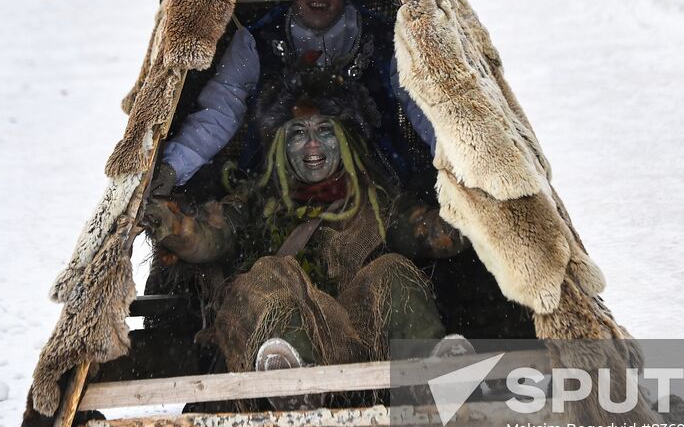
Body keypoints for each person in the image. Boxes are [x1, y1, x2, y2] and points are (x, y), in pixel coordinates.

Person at [145, 94, 463, 402]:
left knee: (392, 268)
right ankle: (293, 383)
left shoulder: (376, 202)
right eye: (298, 133)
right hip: (289, 351)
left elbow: (420, 228)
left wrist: (463, 221)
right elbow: (213, 236)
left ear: (343, 139)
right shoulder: (255, 202)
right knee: (269, 273)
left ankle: (435, 379)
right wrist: (175, 228)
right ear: (282, 145)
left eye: (324, 130)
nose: (312, 143)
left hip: (361, 340)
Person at [155, 0, 434, 193]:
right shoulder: (255, 41)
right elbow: (219, 111)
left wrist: (459, 161)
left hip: (378, 192)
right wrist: (173, 167)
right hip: (271, 196)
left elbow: (425, 106)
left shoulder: (389, 38)